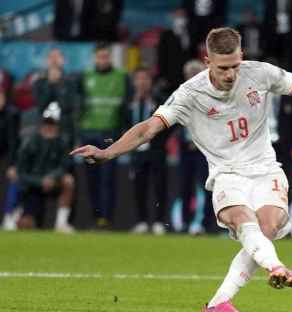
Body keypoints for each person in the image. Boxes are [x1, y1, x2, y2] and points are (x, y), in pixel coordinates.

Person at [70, 27, 292, 312]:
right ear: (208, 62)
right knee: (243, 219)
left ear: (242, 56)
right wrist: (108, 152)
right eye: (223, 67)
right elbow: (148, 128)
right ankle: (276, 267)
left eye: (235, 66)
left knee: (266, 228)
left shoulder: (259, 73)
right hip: (227, 173)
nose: (230, 74)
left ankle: (218, 303)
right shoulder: (190, 94)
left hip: (266, 168)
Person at [78, 43, 130, 229]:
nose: (103, 60)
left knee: (108, 179)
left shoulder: (121, 77)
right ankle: (95, 217)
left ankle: (105, 219)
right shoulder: (85, 76)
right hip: (89, 132)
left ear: (110, 58)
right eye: (100, 57)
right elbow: (78, 105)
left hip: (110, 134)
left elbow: (126, 106)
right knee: (92, 180)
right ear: (94, 58)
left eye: (106, 57)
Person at [16, 105, 75, 233]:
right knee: (26, 225)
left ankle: (61, 223)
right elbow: (21, 173)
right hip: (33, 186)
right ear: (41, 125)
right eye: (47, 124)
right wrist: (40, 181)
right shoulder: (29, 143)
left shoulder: (62, 142)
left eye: (52, 125)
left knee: (68, 181)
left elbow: (65, 165)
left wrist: (52, 177)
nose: (49, 128)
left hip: (54, 183)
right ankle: (17, 214)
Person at [128, 68, 168, 235]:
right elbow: (124, 124)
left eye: (145, 79)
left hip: (156, 150)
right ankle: (142, 221)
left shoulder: (159, 101)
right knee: (139, 186)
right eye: (139, 79)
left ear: (150, 82)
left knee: (159, 186)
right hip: (136, 151)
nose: (142, 82)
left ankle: (159, 221)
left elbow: (170, 124)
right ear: (134, 82)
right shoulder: (129, 102)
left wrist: (160, 140)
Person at [177, 59, 214, 235]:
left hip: (205, 150)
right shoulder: (180, 95)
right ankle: (185, 222)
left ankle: (206, 223)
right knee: (184, 185)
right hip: (185, 148)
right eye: (188, 75)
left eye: (195, 75)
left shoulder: (211, 96)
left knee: (206, 186)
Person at [33, 48, 81, 152]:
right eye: (51, 57)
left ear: (63, 60)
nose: (54, 60)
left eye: (57, 57)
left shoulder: (71, 81)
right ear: (47, 61)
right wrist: (50, 84)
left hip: (66, 130)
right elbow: (41, 106)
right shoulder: (39, 82)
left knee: (67, 163)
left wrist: (59, 84)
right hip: (44, 129)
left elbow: (69, 106)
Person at [156, 8, 193, 96]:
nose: (180, 19)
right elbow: (161, 57)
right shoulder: (166, 35)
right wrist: (161, 76)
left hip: (185, 78)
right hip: (170, 77)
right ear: (173, 18)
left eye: (182, 17)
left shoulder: (190, 35)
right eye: (178, 16)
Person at [0, 88, 21, 230]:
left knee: (14, 180)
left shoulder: (12, 114)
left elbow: (13, 141)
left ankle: (8, 217)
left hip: (8, 154)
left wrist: (13, 164)